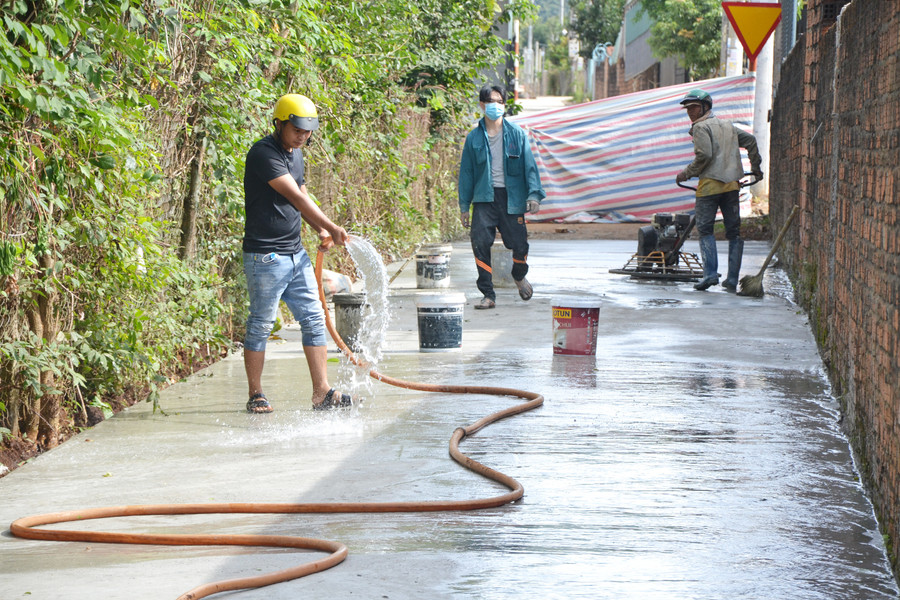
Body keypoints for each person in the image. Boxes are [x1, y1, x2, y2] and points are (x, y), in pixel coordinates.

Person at [241, 93, 353, 413]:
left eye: (308, 130)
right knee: (261, 324)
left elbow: (303, 193)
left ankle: (322, 393)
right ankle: (256, 393)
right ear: (279, 123)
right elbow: (295, 196)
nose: (303, 135)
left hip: (295, 254)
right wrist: (331, 226)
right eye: (297, 129)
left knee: (314, 319)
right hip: (266, 257)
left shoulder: (296, 153)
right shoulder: (264, 154)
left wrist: (318, 229)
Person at [458, 85, 545, 309]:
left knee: (519, 245)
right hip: (484, 199)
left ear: (504, 105)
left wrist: (533, 194)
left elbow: (530, 167)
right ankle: (488, 294)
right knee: (479, 243)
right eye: (490, 102)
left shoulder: (517, 135)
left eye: (498, 101)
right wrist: (464, 206)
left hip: (512, 198)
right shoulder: (473, 139)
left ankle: (519, 275)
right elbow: (466, 174)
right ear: (481, 105)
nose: (494, 106)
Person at [675, 89, 763, 291]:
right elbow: (750, 141)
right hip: (732, 186)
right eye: (688, 109)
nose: (690, 112)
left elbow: (704, 155)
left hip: (709, 188)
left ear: (705, 107)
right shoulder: (727, 126)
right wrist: (756, 168)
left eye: (694, 107)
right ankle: (732, 279)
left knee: (705, 229)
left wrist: (685, 174)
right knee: (734, 232)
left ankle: (710, 274)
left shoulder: (700, 127)